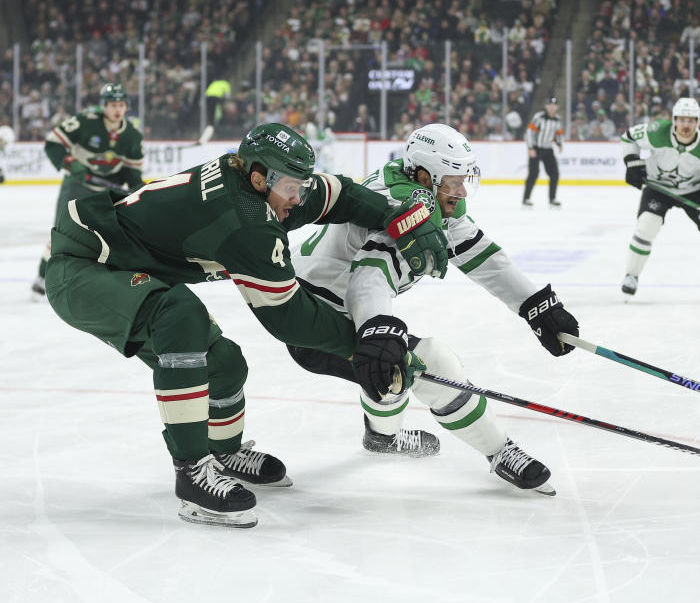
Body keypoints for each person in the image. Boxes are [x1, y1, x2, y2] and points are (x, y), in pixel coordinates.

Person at [43, 123, 450, 528]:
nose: (300, 197)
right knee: (179, 315)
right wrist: (361, 345)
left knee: (225, 364)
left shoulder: (264, 188)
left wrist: (399, 218)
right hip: (84, 267)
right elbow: (289, 316)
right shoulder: (246, 219)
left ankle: (223, 453)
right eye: (293, 188)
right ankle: (191, 473)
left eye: (301, 185)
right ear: (259, 179)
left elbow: (338, 192)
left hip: (126, 260)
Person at [288, 123, 581, 496]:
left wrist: (535, 304)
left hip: (336, 304)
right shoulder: (403, 209)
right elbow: (370, 277)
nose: (460, 191)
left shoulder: (424, 196)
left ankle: (381, 439)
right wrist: (378, 329)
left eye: (464, 180)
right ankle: (499, 450)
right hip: (312, 314)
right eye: (452, 181)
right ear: (425, 175)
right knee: (427, 361)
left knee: (392, 366)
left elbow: (477, 251)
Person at [619, 97, 700, 299]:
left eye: (691, 121)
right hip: (658, 188)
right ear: (674, 120)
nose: (686, 125)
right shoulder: (657, 131)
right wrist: (631, 161)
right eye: (682, 120)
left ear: (698, 122)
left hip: (694, 191)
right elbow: (629, 137)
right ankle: (631, 276)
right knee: (647, 226)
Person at [33, 83, 144, 297]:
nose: (117, 109)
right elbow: (53, 142)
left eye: (121, 105)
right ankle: (42, 276)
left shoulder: (132, 136)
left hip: (105, 194)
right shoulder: (85, 121)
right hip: (77, 186)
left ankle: (97, 280)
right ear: (104, 106)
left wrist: (138, 191)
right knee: (62, 232)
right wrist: (70, 163)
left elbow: (132, 173)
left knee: (106, 237)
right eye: (113, 105)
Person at [522, 96, 564, 207]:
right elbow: (530, 132)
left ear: (557, 107)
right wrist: (531, 148)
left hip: (548, 149)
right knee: (533, 174)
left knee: (554, 174)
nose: (552, 107)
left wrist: (559, 144)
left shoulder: (557, 120)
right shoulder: (539, 117)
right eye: (550, 105)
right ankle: (526, 199)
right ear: (546, 106)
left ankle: (552, 199)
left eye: (554, 105)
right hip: (536, 148)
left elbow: (558, 133)